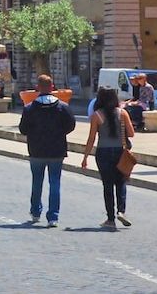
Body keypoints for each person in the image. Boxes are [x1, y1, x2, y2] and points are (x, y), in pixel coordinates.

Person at [18, 74, 76, 227]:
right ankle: (53, 217)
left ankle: (35, 212)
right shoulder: (62, 107)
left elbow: (23, 129)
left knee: (37, 182)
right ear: (52, 87)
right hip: (57, 150)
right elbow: (71, 125)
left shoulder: (29, 108)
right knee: (55, 182)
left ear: (37, 87)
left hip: (36, 150)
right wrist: (59, 132)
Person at [81, 87, 135, 229]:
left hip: (103, 153)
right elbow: (131, 133)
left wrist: (85, 157)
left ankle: (110, 219)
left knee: (107, 186)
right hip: (120, 152)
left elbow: (91, 138)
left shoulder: (96, 115)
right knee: (121, 182)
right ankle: (121, 211)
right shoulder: (123, 113)